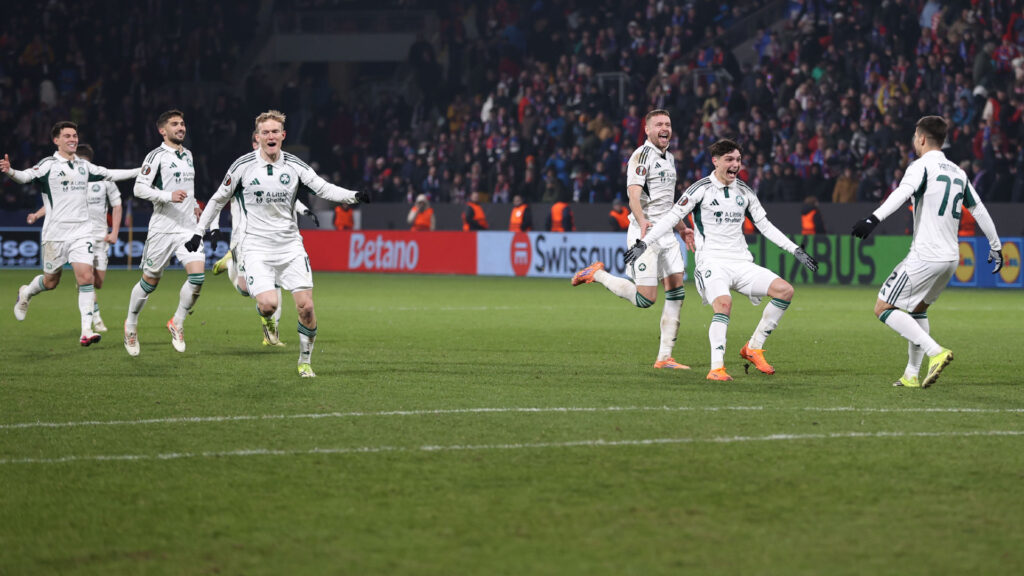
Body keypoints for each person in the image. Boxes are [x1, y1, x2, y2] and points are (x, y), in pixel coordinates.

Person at [621, 138, 818, 380]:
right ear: (715, 162)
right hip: (711, 262)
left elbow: (765, 226)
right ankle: (716, 368)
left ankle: (753, 347)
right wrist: (644, 242)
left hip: (741, 262)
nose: (735, 165)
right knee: (724, 304)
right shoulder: (700, 189)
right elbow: (671, 217)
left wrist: (795, 249)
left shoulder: (745, 192)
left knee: (785, 291)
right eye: (729, 160)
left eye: (738, 160)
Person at [194, 110, 369, 377]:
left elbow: (322, 187)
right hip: (256, 247)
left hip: (290, 246)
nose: (270, 136)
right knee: (268, 305)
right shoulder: (242, 165)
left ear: (283, 135)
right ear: (257, 137)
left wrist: (353, 196)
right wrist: (200, 231)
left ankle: (305, 361)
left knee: (306, 307)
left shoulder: (294, 165)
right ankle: (266, 319)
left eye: (275, 131)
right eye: (265, 132)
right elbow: (218, 199)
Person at [852, 116, 1003, 388]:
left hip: (925, 255)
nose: (914, 140)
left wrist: (873, 219)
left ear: (921, 138)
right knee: (918, 310)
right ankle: (911, 374)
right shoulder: (959, 172)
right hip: (951, 258)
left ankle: (936, 351)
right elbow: (979, 209)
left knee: (883, 307)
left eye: (915, 136)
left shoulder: (920, 166)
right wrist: (996, 245)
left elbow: (902, 192)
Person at [571, 109, 697, 370]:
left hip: (667, 233)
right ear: (648, 130)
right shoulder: (641, 156)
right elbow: (633, 194)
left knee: (677, 292)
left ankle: (664, 357)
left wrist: (683, 227)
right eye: (659, 124)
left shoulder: (670, 158)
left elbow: (668, 201)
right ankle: (597, 274)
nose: (665, 128)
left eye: (668, 124)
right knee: (646, 299)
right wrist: (642, 222)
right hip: (645, 234)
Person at [2, 121, 138, 346]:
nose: (73, 139)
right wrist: (10, 171)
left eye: (75, 135)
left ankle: (86, 331)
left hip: (82, 232)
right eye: (67, 136)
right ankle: (26, 293)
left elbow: (110, 173)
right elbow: (25, 177)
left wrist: (139, 171)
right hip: (55, 234)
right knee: (50, 282)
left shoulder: (84, 166)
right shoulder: (48, 165)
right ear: (56, 140)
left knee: (86, 277)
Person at [211, 131, 319, 347]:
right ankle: (230, 262)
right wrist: (214, 227)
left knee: (272, 285)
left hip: (271, 240)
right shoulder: (242, 170)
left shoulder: (277, 169)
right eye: (258, 140)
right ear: (255, 143)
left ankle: (271, 331)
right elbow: (217, 200)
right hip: (244, 239)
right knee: (245, 290)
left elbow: (287, 198)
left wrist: (305, 210)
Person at [124, 110, 205, 356]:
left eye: (182, 123)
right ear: (162, 130)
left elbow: (188, 189)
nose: (181, 127)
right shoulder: (156, 156)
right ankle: (130, 325)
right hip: (163, 228)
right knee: (150, 282)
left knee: (197, 278)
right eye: (175, 124)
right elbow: (139, 189)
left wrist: (194, 205)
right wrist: (168, 196)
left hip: (188, 228)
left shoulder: (188, 154)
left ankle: (177, 322)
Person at [24, 144, 122, 333]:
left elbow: (117, 205)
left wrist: (115, 232)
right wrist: (37, 214)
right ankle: (95, 319)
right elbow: (56, 203)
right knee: (86, 278)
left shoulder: (103, 181)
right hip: (80, 234)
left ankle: (84, 287)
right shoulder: (69, 179)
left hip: (100, 236)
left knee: (98, 282)